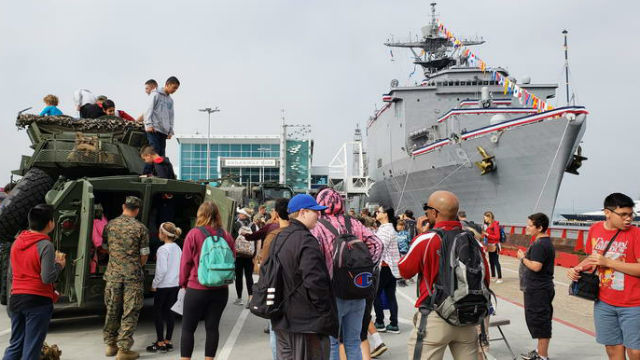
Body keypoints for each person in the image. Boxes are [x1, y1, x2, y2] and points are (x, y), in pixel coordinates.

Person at [399, 190, 490, 360]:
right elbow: (485, 279)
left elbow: (404, 271)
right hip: (467, 316)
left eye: (427, 208)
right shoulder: (472, 240)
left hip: (435, 316)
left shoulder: (426, 239)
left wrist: (419, 235)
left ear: (434, 213)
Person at [311, 187, 383, 360]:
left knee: (333, 342)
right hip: (358, 289)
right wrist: (366, 267)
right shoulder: (355, 223)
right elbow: (377, 244)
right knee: (353, 341)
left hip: (333, 291)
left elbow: (313, 257)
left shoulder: (318, 227)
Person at [567, 193, 640, 360]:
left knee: (636, 352)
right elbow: (593, 259)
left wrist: (608, 262)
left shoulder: (636, 234)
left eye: (631, 214)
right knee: (613, 349)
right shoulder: (595, 229)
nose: (628, 219)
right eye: (623, 215)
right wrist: (577, 268)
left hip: (634, 304)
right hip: (604, 302)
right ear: (607, 213)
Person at [271, 194, 338, 360]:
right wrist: (326, 314)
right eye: (315, 211)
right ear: (302, 212)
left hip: (281, 317)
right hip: (305, 322)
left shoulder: (279, 237)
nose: (318, 215)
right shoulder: (307, 241)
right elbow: (315, 282)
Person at [3, 204, 66, 360]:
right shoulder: (46, 245)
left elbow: (11, 275)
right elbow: (47, 277)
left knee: (15, 345)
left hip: (16, 300)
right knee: (31, 349)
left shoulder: (16, 243)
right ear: (50, 223)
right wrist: (59, 265)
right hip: (37, 302)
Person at [179, 201, 235, 360]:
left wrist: (183, 283)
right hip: (220, 290)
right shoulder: (226, 235)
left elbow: (186, 262)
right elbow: (232, 259)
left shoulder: (194, 234)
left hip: (197, 288)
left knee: (188, 329)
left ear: (200, 215)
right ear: (218, 215)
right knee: (212, 328)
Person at [102, 196, 150, 360]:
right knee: (130, 311)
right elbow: (144, 255)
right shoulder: (140, 228)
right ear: (137, 210)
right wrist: (135, 264)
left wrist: (117, 258)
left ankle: (110, 345)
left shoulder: (110, 225)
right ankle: (124, 349)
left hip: (113, 274)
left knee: (112, 310)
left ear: (123, 206)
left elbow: (104, 247)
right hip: (132, 276)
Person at [517, 213, 555, 360]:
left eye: (530, 225)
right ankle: (540, 352)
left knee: (540, 320)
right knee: (538, 319)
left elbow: (536, 266)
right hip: (538, 288)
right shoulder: (543, 242)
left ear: (539, 228)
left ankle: (543, 356)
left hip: (539, 289)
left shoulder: (540, 244)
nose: (527, 227)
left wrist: (522, 258)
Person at [259, 198, 290, 360]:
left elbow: (265, 266)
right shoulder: (302, 233)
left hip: (276, 290)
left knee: (275, 332)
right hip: (296, 291)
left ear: (276, 214)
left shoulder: (272, 236)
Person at [147, 222, 182, 353]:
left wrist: (154, 284)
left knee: (158, 312)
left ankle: (160, 342)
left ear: (163, 234)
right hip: (174, 284)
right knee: (169, 312)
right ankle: (168, 341)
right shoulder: (177, 248)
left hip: (163, 285)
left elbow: (161, 270)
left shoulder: (162, 249)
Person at [373, 206, 401, 334]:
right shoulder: (390, 228)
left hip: (384, 267)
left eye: (379, 211)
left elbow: (379, 247)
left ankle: (380, 322)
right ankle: (394, 323)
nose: (376, 213)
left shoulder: (385, 229)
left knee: (375, 295)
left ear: (385, 215)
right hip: (392, 267)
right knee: (391, 296)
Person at [144, 76, 180, 157]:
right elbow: (148, 109)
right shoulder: (155, 94)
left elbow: (171, 116)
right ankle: (148, 170)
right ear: (168, 84)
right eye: (174, 88)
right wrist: (149, 125)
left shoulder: (170, 100)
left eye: (176, 89)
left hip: (163, 131)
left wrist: (170, 131)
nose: (175, 90)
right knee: (154, 152)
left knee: (161, 154)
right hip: (154, 129)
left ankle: (157, 170)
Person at [232, 207, 258, 306]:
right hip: (249, 255)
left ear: (244, 215)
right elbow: (256, 241)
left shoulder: (236, 224)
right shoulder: (253, 225)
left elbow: (232, 238)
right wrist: (255, 255)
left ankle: (239, 299)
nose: (238, 215)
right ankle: (250, 299)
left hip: (238, 255)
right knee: (249, 277)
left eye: (240, 213)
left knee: (238, 276)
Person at [483, 211, 503, 283]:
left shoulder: (495, 224)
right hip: (490, 245)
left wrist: (487, 235)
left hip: (495, 245)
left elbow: (497, 237)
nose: (484, 219)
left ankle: (500, 278)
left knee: (496, 261)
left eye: (485, 217)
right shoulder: (488, 225)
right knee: (491, 261)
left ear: (489, 217)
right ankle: (493, 276)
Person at [396, 219, 410, 287]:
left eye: (399, 225)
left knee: (404, 266)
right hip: (398, 252)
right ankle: (400, 280)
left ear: (403, 226)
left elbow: (410, 242)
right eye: (397, 225)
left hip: (405, 252)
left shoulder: (407, 233)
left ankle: (404, 279)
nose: (397, 226)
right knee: (399, 266)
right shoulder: (396, 234)